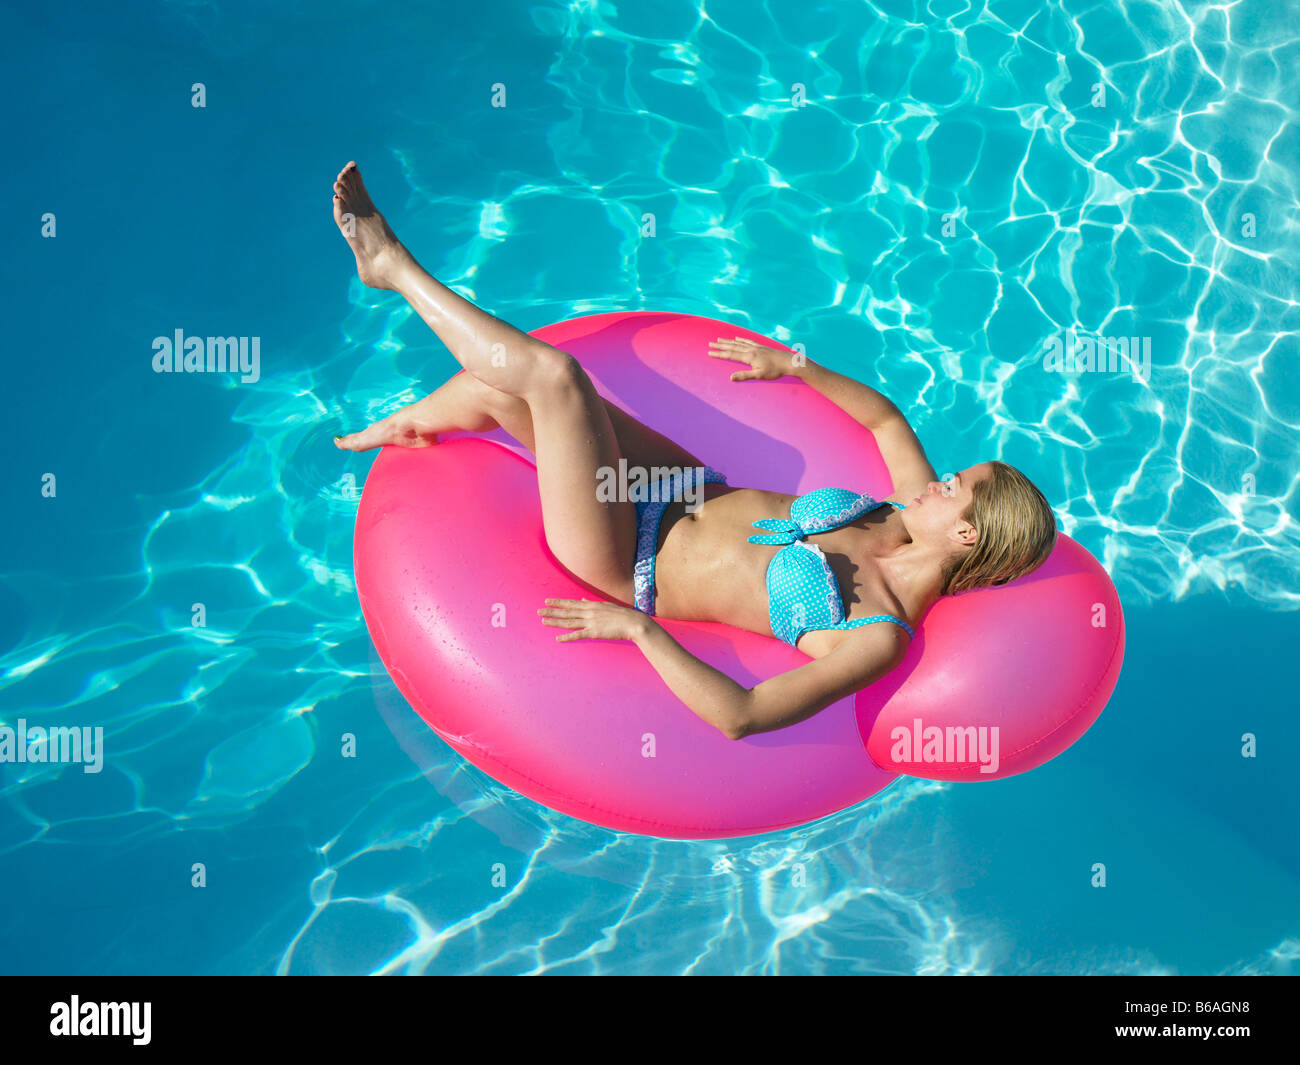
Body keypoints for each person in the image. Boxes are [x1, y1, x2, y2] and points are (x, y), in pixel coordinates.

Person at [331, 162, 1057, 740]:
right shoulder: (903, 509)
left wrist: (640, 630)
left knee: (554, 377)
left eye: (955, 486)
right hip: (683, 483)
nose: (940, 480)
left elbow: (743, 716)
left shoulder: (878, 635)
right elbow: (889, 420)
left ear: (965, 533)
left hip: (629, 557)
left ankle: (391, 267)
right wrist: (799, 368)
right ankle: (405, 425)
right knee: (499, 392)